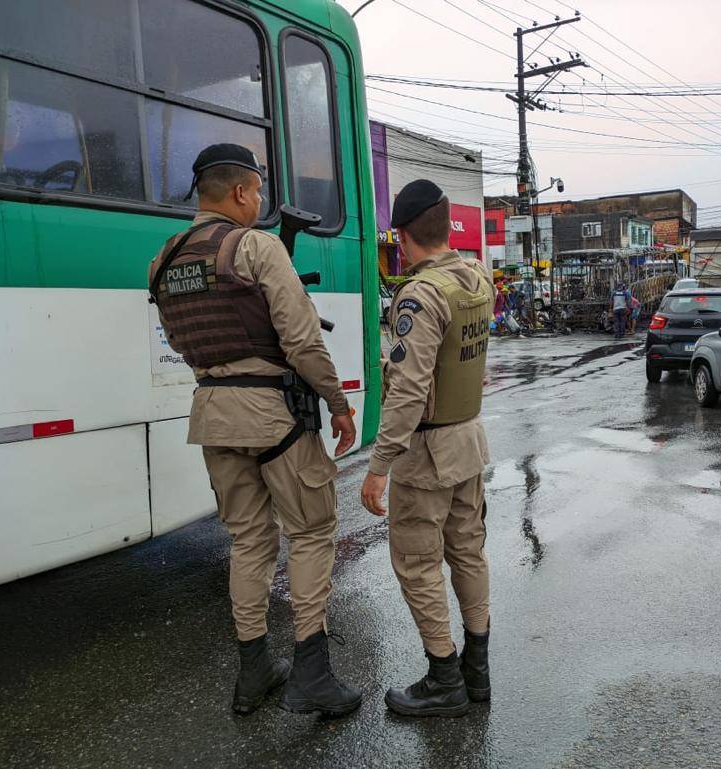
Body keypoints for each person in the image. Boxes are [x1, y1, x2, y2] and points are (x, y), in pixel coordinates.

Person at [148, 144, 360, 718]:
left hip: (212, 413)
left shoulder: (164, 260)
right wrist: (338, 403)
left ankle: (253, 672)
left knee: (248, 539)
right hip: (274, 414)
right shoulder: (257, 247)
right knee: (313, 531)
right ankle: (312, 673)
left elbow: (187, 342)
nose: (260, 202)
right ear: (241, 192)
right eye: (258, 193)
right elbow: (301, 340)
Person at [359, 180, 495, 718]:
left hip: (427, 452)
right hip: (468, 442)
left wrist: (377, 468)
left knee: (417, 564)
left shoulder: (419, 295)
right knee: (468, 551)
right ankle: (476, 671)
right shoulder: (476, 278)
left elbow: (408, 392)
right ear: (446, 227)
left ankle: (444, 678)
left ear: (401, 234)